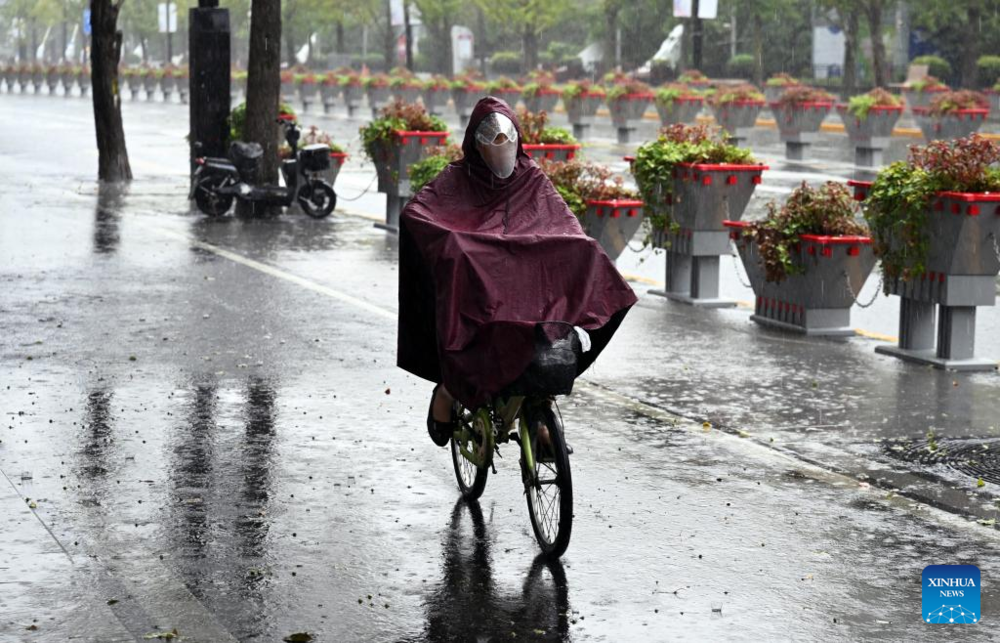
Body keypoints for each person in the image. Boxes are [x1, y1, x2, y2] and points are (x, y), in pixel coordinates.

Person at [396, 97, 637, 446]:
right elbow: (417, 213)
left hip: (527, 288)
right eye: (492, 143)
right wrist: (455, 243)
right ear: (475, 145)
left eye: (507, 142)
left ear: (518, 141)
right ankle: (448, 391)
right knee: (474, 332)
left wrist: (578, 247)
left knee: (584, 255)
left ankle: (538, 415)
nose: (501, 152)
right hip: (483, 293)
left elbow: (564, 225)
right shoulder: (457, 178)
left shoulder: (531, 178)